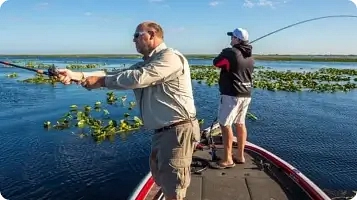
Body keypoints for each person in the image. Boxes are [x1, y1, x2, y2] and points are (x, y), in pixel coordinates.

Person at [56, 21, 200, 200]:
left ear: (152, 35)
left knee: (174, 190)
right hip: (162, 132)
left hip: (177, 131)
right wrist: (77, 75)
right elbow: (115, 74)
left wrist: (100, 82)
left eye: (136, 35)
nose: (133, 40)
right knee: (163, 181)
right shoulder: (148, 62)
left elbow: (138, 78)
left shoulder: (170, 57)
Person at [211, 27, 254, 169]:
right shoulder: (250, 56)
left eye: (232, 37)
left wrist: (225, 51)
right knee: (240, 123)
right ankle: (240, 156)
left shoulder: (230, 53)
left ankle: (228, 159)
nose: (230, 39)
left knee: (225, 124)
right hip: (246, 94)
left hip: (231, 95)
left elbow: (216, 63)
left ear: (237, 39)